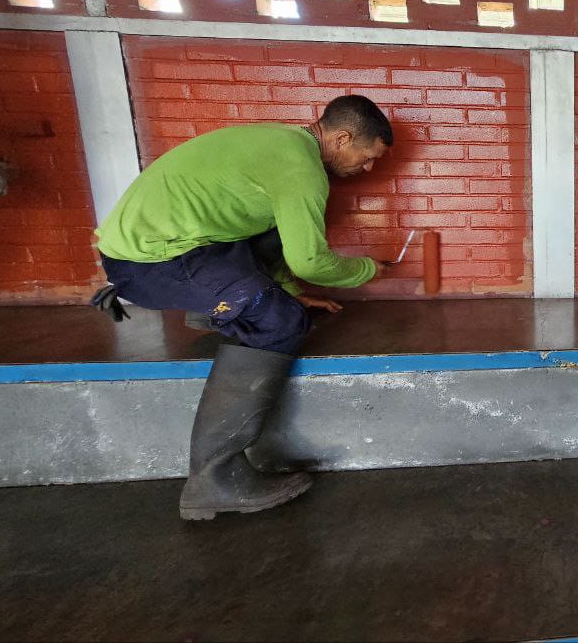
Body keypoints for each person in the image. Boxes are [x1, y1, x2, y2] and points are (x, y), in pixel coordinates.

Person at [90, 94, 396, 519]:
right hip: (151, 262)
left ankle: (218, 306)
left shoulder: (284, 145)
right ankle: (214, 479)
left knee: (274, 243)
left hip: (172, 246)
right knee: (280, 321)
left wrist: (288, 288)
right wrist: (367, 270)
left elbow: (273, 240)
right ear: (342, 138)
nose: (368, 169)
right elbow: (311, 261)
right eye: (368, 157)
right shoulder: (301, 169)